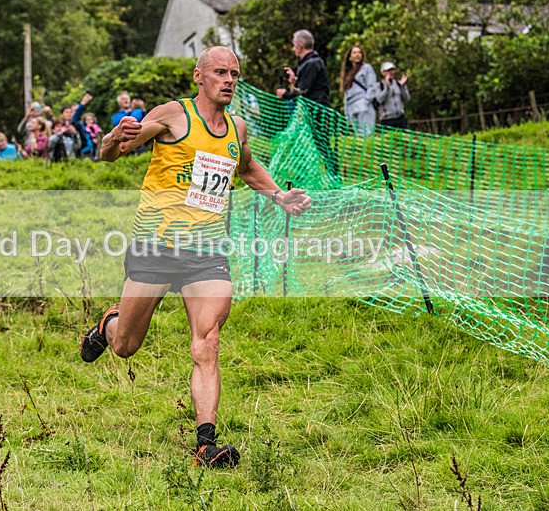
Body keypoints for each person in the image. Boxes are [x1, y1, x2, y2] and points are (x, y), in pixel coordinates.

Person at [79, 46, 311, 468]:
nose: (229, 80)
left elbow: (246, 167)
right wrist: (113, 138)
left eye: (235, 74)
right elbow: (113, 152)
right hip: (157, 244)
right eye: (220, 72)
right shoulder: (173, 115)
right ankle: (107, 324)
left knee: (209, 341)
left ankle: (205, 443)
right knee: (126, 346)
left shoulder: (237, 128)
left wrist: (279, 195)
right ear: (198, 76)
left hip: (207, 251)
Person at [275, 30, 337, 180]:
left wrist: (284, 94)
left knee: (322, 144)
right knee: (312, 144)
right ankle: (314, 175)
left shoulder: (312, 62)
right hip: (311, 110)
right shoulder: (309, 63)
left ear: (300, 45)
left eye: (293, 46)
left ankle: (333, 175)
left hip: (316, 111)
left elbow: (302, 91)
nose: (293, 49)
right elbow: (305, 87)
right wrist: (294, 80)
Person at [339, 46, 377, 136]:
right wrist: (346, 111)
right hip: (351, 106)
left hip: (363, 105)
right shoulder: (347, 73)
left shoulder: (366, 68)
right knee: (358, 135)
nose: (357, 55)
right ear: (350, 57)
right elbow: (346, 92)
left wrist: (365, 102)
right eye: (354, 52)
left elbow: (372, 87)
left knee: (367, 133)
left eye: (359, 52)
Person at [375, 61, 411, 130]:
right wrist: (387, 87)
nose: (390, 73)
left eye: (392, 70)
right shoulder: (379, 85)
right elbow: (379, 100)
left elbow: (407, 99)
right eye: (388, 71)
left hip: (400, 118)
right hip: (387, 120)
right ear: (383, 73)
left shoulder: (398, 84)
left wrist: (402, 86)